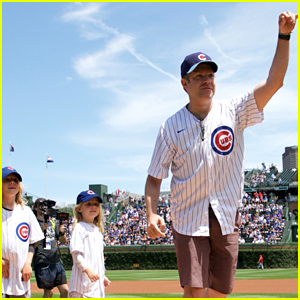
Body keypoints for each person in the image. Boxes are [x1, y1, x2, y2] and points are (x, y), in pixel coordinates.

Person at [145, 11, 297, 298]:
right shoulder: (170, 127)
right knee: (194, 290)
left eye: (210, 75)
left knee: (218, 293)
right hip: (188, 217)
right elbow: (154, 178)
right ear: (184, 84)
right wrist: (151, 214)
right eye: (199, 76)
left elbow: (275, 82)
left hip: (226, 215)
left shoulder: (235, 111)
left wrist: (284, 36)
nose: (207, 80)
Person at [2, 166, 44, 298]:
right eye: (7, 179)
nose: (12, 182)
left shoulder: (26, 211)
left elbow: (32, 242)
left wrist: (27, 264)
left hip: (20, 276)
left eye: (15, 180)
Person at [69, 190, 111, 298]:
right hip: (81, 287)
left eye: (96, 204)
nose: (93, 206)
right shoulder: (79, 228)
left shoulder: (97, 230)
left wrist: (102, 276)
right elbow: (76, 254)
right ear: (79, 208)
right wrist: (87, 270)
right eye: (88, 204)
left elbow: (97, 258)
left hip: (95, 285)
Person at [32, 198, 69, 298]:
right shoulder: (33, 222)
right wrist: (40, 230)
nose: (44, 208)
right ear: (36, 208)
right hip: (42, 260)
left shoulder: (52, 223)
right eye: (41, 205)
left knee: (65, 290)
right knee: (49, 292)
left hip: (55, 261)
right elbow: (32, 244)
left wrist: (62, 232)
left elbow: (63, 241)